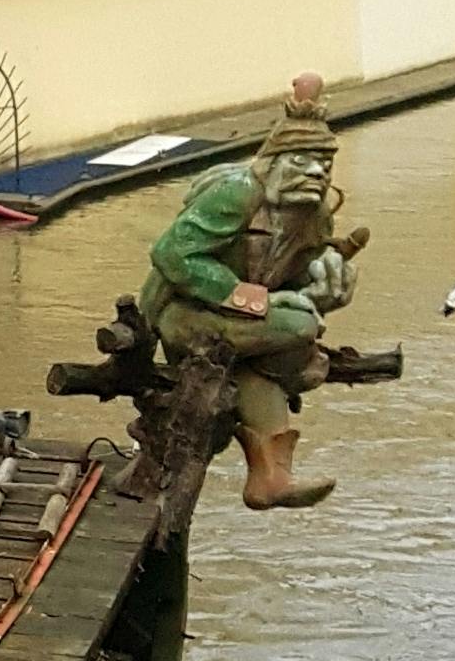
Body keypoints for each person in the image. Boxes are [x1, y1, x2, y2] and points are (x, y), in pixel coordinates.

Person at [138, 77, 352, 508]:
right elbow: (172, 254)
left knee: (262, 358)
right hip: (184, 313)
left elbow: (289, 280)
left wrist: (325, 287)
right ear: (271, 161)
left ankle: (271, 478)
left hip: (237, 324)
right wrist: (256, 299)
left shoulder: (314, 212)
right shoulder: (239, 192)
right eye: (302, 160)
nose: (317, 172)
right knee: (297, 327)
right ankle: (270, 461)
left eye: (324, 163)